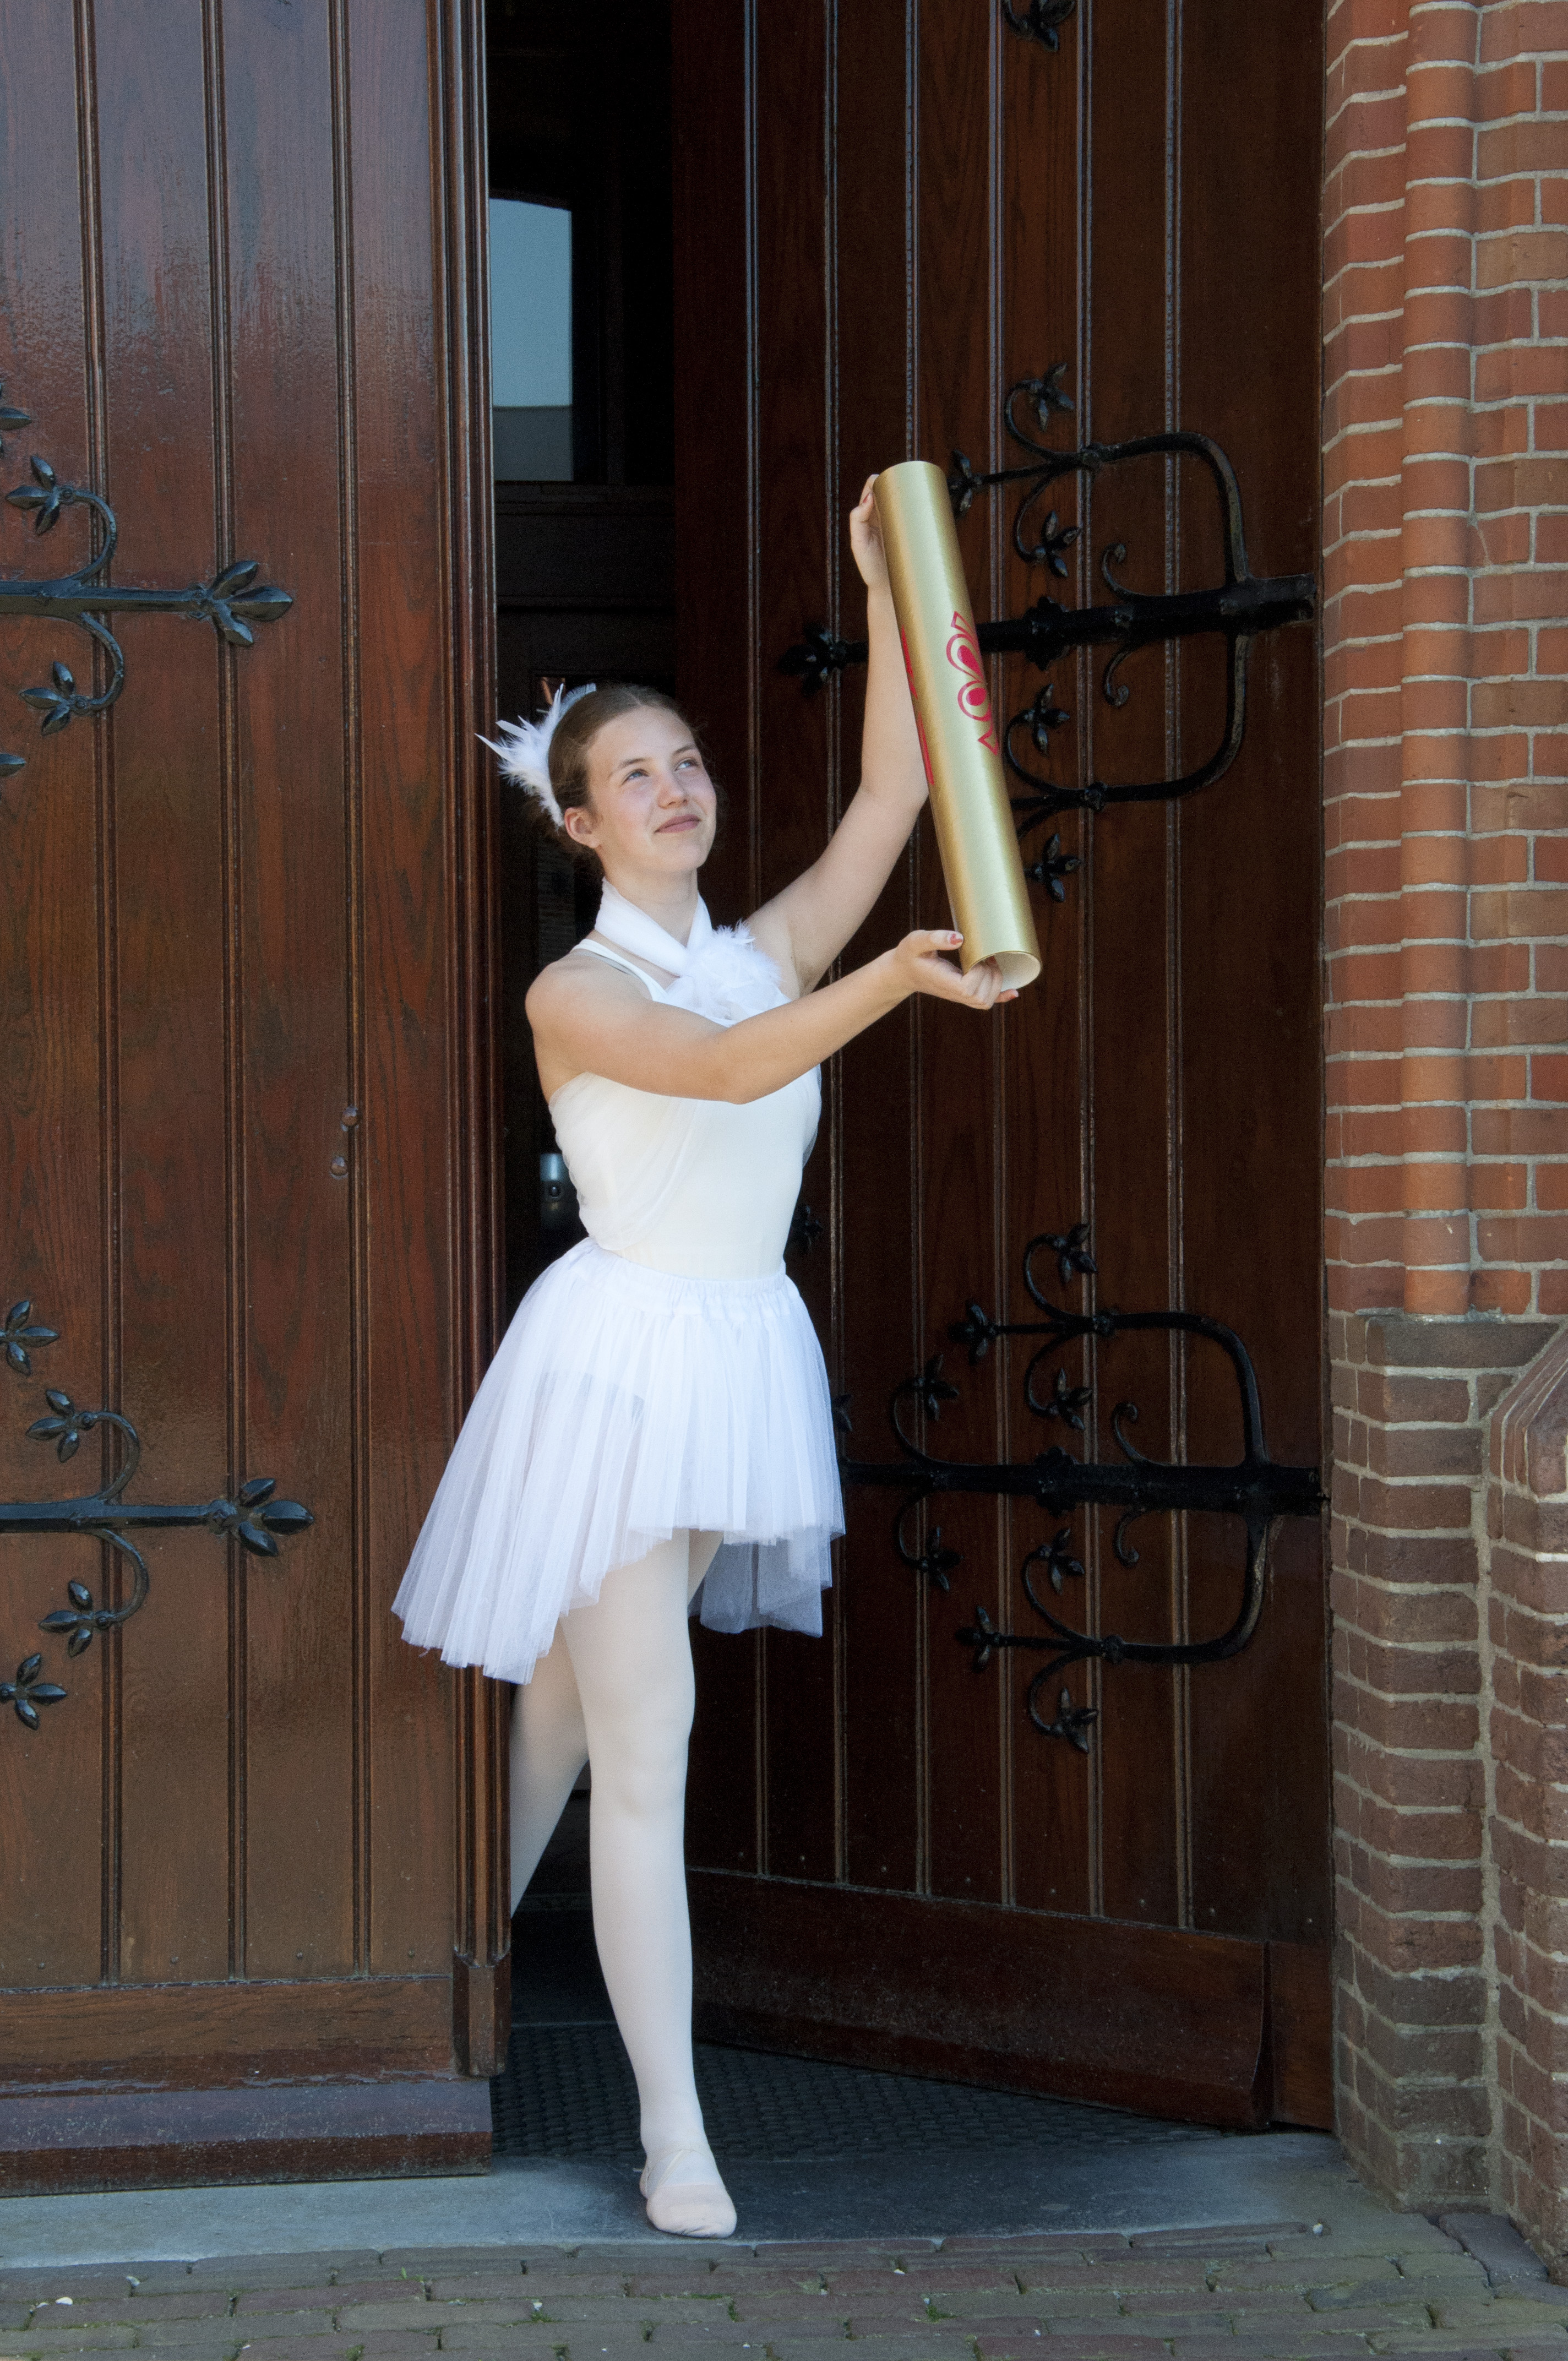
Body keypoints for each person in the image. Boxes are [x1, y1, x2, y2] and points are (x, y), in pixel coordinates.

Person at [392, 476, 1015, 2238]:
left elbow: (902, 788)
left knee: (561, 1736)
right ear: (582, 826)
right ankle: (677, 2136)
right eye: (635, 776)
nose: (676, 788)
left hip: (735, 1350)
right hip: (615, 1370)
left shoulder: (756, 955)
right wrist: (902, 979)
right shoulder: (579, 994)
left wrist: (891, 575)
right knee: (642, 1737)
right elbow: (732, 1076)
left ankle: (440, 2019)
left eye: (687, 761)